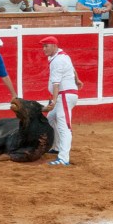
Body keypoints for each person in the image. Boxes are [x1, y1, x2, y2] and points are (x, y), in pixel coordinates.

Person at [39, 36, 83, 166]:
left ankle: (63, 158)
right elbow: (72, 68)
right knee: (51, 119)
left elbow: (56, 83)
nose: (44, 49)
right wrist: (77, 79)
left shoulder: (58, 60)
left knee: (65, 127)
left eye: (46, 46)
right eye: (43, 46)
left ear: (54, 46)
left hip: (63, 95)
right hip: (64, 95)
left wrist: (53, 101)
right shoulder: (62, 55)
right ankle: (57, 147)